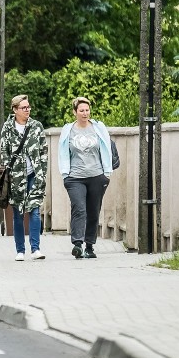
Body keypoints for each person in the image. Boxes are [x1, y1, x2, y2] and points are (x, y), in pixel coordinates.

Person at [58, 96, 113, 259]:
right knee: (79, 208)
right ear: (75, 112)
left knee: (93, 211)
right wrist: (65, 175)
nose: (85, 113)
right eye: (81, 110)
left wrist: (106, 174)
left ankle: (89, 246)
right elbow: (62, 152)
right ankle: (77, 244)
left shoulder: (98, 128)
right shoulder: (68, 130)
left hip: (97, 175)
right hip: (75, 177)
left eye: (87, 110)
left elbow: (107, 148)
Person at [0, 95, 48, 261]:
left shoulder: (36, 126)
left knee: (34, 210)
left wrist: (42, 171)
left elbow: (43, 150)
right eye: (24, 108)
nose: (27, 110)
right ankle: (20, 250)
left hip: (34, 174)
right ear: (15, 110)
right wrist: (9, 170)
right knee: (18, 213)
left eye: (28, 107)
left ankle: (36, 249)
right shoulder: (7, 128)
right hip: (15, 177)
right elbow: (4, 151)